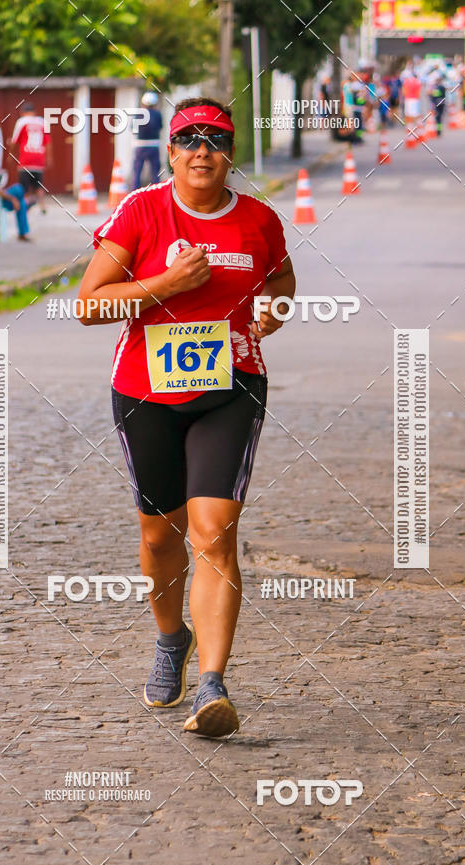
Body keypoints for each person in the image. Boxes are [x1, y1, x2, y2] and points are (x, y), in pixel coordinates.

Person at [77, 97, 295, 738]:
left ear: (232, 152)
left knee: (215, 528)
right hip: (146, 391)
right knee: (159, 537)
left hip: (231, 386)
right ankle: (171, 638)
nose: (203, 151)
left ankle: (212, 685)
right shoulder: (143, 210)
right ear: (170, 151)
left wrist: (272, 313)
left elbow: (282, 281)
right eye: (189, 140)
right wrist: (164, 286)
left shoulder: (259, 221)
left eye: (216, 140)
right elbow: (89, 305)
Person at [9, 101, 52, 213]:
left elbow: (14, 141)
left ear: (23, 112)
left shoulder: (21, 122)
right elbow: (48, 142)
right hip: (39, 158)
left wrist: (10, 154)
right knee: (38, 185)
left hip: (26, 159)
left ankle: (25, 206)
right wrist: (48, 158)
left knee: (24, 186)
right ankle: (42, 205)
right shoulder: (42, 122)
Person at [132, 91, 163, 190]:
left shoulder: (138, 114)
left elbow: (133, 128)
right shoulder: (158, 114)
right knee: (155, 173)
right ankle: (156, 192)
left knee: (137, 172)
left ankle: (135, 192)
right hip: (154, 145)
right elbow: (160, 127)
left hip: (140, 146)